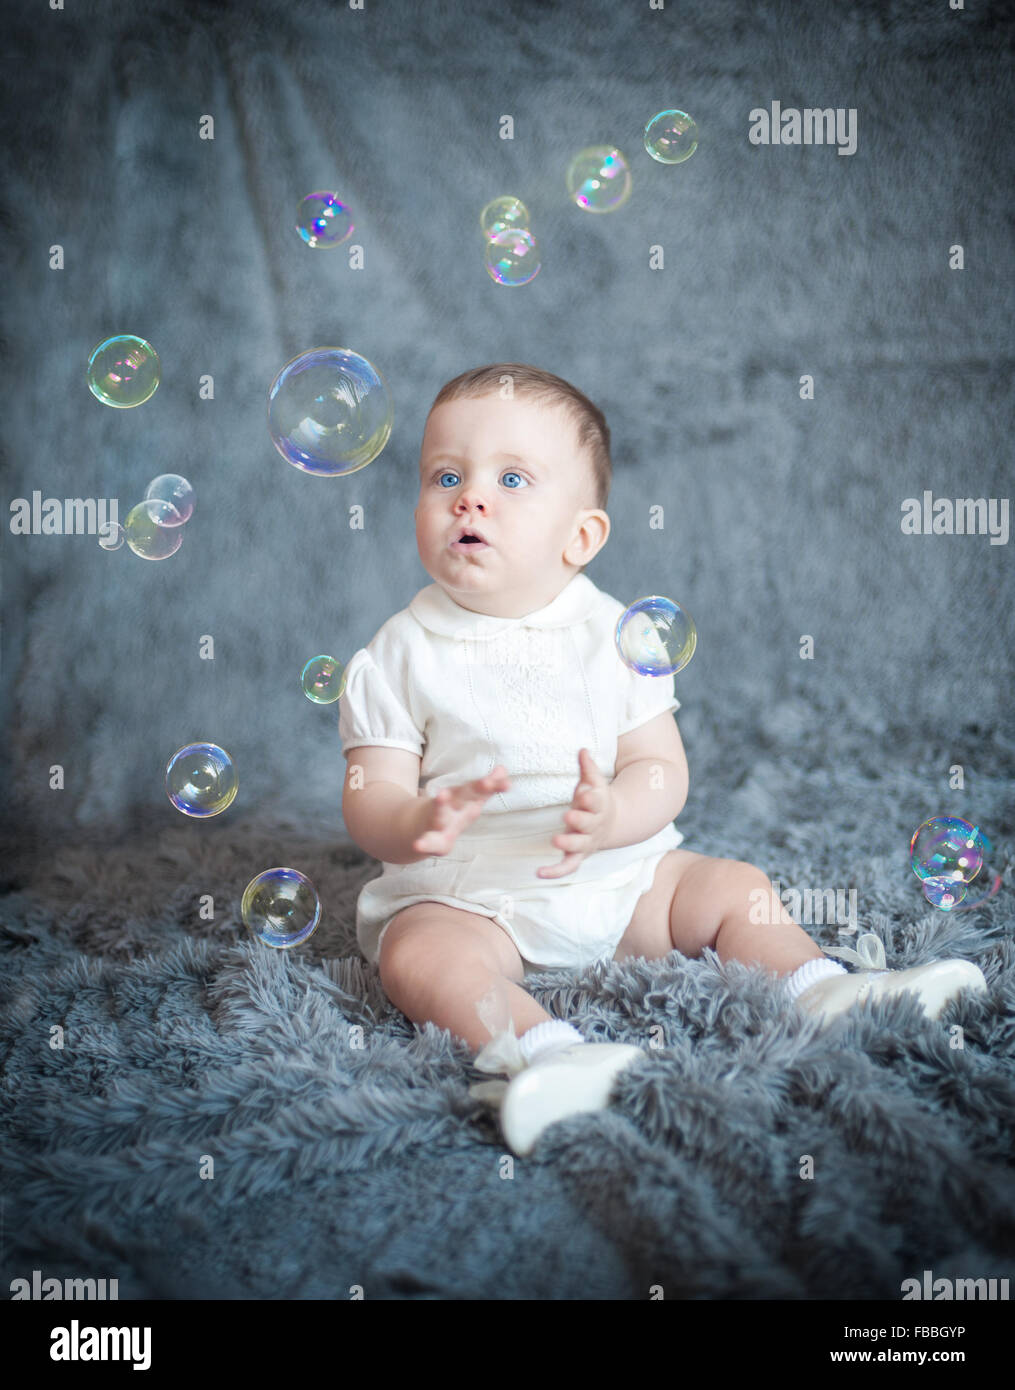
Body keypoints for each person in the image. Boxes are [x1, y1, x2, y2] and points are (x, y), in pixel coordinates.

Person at [338, 362, 987, 1156]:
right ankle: (547, 1055)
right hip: (473, 898)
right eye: (446, 474)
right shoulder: (397, 656)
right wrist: (413, 821)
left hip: (618, 884)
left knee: (730, 887)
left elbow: (660, 772)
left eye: (512, 478)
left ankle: (824, 987)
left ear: (581, 536)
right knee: (417, 954)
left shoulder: (615, 636)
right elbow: (369, 801)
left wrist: (614, 813)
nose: (470, 497)